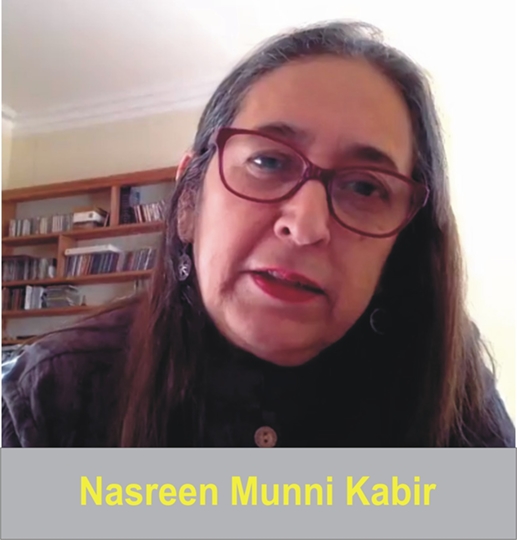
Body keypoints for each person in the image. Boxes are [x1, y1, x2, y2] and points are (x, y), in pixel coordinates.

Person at [2, 21, 514, 448]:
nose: (305, 226)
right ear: (189, 201)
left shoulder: (448, 381)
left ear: (401, 244)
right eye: (268, 161)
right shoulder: (52, 393)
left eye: (364, 186)